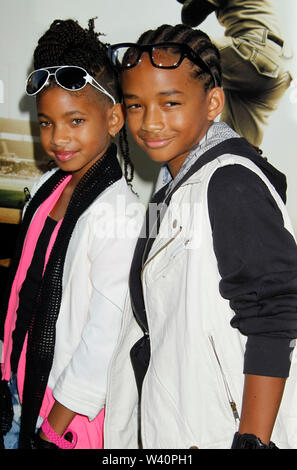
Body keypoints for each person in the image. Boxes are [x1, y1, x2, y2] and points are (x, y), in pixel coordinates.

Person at [104, 24, 297, 449]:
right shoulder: (166, 184)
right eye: (135, 106)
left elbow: (274, 314)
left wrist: (252, 441)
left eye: (169, 103)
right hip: (174, 419)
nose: (150, 122)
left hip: (222, 430)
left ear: (212, 103)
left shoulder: (230, 184)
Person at [0, 18, 142, 449]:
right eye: (47, 122)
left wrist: (52, 429)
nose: (58, 138)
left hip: (62, 420)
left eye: (75, 120)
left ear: (114, 117)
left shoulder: (123, 212)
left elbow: (103, 339)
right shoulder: (48, 188)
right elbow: (19, 292)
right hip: (16, 391)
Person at [175, 0, 292, 148]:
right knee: (234, 147)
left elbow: (191, 15)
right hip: (278, 68)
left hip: (255, 50)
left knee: (180, 47)